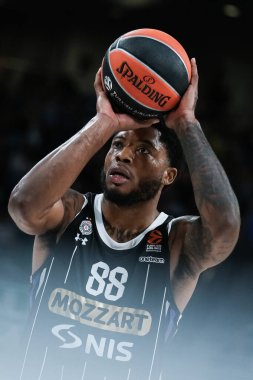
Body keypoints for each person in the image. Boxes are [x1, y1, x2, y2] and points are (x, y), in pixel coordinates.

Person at [8, 58, 240, 380]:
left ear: (168, 175)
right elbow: (23, 206)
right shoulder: (70, 213)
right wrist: (104, 122)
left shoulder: (176, 240)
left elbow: (225, 228)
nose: (123, 154)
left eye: (144, 150)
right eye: (117, 144)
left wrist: (187, 123)